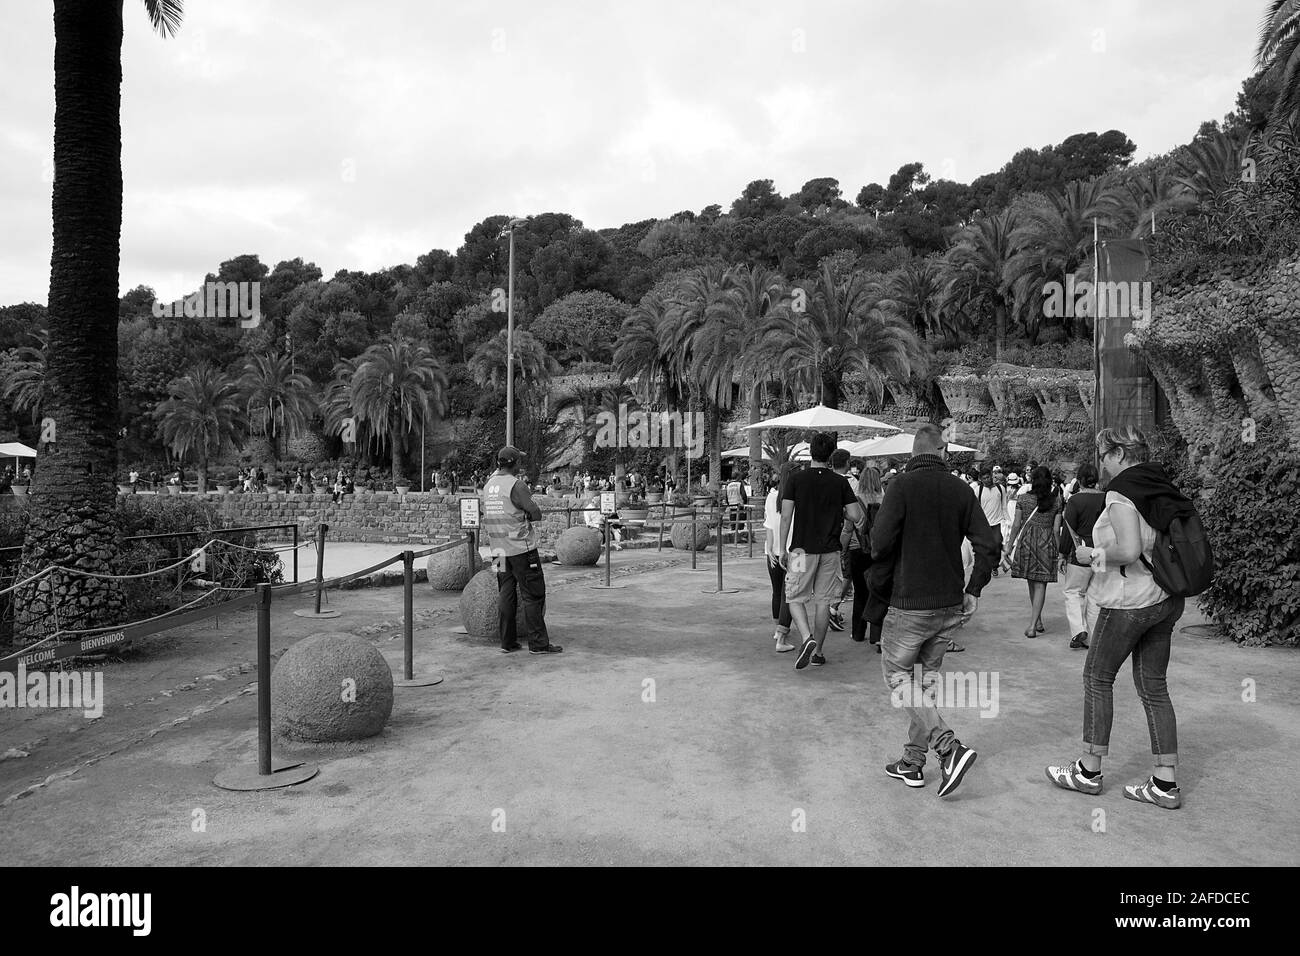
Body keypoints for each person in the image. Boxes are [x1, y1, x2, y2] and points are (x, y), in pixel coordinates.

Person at [1046, 426, 1191, 810]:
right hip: (1165, 597)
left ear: (1119, 455)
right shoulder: (1159, 483)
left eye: (1104, 455)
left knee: (1096, 677)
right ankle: (1165, 782)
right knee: (1154, 687)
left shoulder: (1122, 491)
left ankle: (1088, 771)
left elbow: (1127, 550)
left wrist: (1089, 556)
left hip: (1130, 600)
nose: (1102, 463)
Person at [869, 424, 999, 796]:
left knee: (897, 676)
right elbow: (988, 545)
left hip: (909, 601)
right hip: (948, 603)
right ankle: (912, 762)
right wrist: (974, 588)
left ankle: (948, 747)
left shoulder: (901, 487)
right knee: (923, 684)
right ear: (942, 452)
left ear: (913, 453)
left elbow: (879, 544)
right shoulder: (961, 490)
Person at [774, 432, 865, 670]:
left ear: (810, 451)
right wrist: (842, 511)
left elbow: (785, 516)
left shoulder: (796, 479)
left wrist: (782, 547)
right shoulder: (840, 482)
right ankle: (819, 653)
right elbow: (856, 516)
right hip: (830, 551)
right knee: (824, 602)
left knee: (793, 597)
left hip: (800, 551)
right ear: (832, 453)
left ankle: (806, 638)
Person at [482, 446, 560, 655]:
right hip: (521, 549)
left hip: (498, 550)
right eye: (519, 461)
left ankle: (507, 642)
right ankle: (538, 644)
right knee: (533, 595)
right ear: (515, 463)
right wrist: (530, 516)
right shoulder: (516, 485)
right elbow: (534, 512)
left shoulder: (488, 485)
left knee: (505, 592)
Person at [1003, 465, 1064, 639]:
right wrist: (1060, 553)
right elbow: (1056, 530)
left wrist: (1009, 545)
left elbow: (1016, 525)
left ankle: (1034, 624)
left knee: (1031, 581)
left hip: (1027, 541)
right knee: (1040, 584)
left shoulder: (1023, 499)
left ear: (1032, 480)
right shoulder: (1057, 501)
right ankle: (1035, 622)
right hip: (1046, 543)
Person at [1058, 462, 1105, 649]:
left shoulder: (1075, 501)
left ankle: (1079, 629)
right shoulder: (1106, 499)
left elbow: (1068, 531)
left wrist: (1062, 554)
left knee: (1073, 592)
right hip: (1101, 552)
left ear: (1080, 479)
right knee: (1095, 596)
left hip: (1080, 551)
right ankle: (1093, 639)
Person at [845, 466, 885, 647]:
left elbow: (847, 529)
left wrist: (842, 549)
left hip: (858, 549)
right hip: (879, 551)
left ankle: (858, 632)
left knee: (860, 592)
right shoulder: (886, 501)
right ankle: (876, 636)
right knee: (878, 593)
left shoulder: (855, 501)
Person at [763, 466, 796, 653]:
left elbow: (768, 526)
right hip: (795, 553)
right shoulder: (798, 499)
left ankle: (778, 630)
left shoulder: (771, 497)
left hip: (773, 552)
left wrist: (770, 549)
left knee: (777, 592)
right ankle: (782, 636)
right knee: (790, 594)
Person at [827, 448, 856, 632]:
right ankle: (832, 608)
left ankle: (832, 609)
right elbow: (851, 517)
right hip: (845, 537)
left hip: (827, 535)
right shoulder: (850, 483)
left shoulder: (825, 480)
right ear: (847, 463)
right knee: (846, 575)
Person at [973, 467, 1009, 579]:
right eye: (984, 478)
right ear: (980, 479)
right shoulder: (978, 490)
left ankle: (994, 566)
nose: (987, 480)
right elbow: (976, 508)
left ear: (991, 476)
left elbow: (1004, 505)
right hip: (984, 524)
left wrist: (1007, 520)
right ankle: (993, 565)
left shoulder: (1000, 488)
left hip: (998, 522)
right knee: (987, 547)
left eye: (988, 477)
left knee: (997, 543)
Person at [724, 471, 748, 538]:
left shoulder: (728, 485)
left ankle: (733, 537)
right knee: (740, 521)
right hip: (739, 505)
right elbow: (743, 495)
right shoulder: (739, 484)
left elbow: (726, 496)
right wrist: (745, 503)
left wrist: (729, 504)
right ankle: (740, 537)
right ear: (737, 477)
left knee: (733, 522)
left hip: (731, 505)